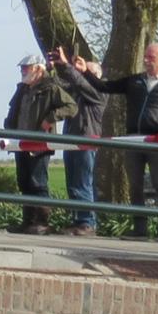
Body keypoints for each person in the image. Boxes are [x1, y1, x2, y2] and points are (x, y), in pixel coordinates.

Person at [79, 42, 158, 240]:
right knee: (135, 184)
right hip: (134, 138)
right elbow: (106, 86)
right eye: (146, 57)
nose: (147, 61)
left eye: (151, 58)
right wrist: (84, 73)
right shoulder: (135, 81)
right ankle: (140, 227)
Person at [3, 54, 76, 234]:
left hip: (39, 143)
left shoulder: (51, 88)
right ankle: (28, 221)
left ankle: (42, 222)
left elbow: (71, 106)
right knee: (24, 182)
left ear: (37, 69)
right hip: (20, 143)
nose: (22, 72)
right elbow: (14, 111)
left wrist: (50, 119)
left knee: (38, 182)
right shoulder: (23, 89)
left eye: (26, 68)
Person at [47, 47, 108, 236]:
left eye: (87, 71)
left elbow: (81, 83)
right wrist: (52, 69)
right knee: (73, 183)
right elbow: (60, 87)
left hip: (86, 140)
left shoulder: (99, 90)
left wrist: (70, 67)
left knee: (82, 183)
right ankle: (78, 221)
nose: (81, 73)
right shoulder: (78, 91)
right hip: (72, 140)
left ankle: (87, 223)